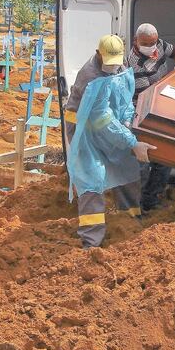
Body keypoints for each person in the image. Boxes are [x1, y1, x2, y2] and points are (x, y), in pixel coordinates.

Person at [65, 34, 155, 248]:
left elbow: (125, 100)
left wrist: (126, 120)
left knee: (126, 166)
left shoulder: (120, 66)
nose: (113, 67)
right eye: (109, 63)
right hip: (85, 130)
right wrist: (131, 142)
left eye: (116, 62)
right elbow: (101, 119)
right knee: (92, 177)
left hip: (113, 126)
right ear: (98, 54)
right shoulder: (90, 77)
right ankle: (91, 240)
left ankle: (130, 221)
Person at [127, 22, 175, 212]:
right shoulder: (134, 63)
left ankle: (152, 200)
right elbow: (149, 96)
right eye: (147, 43)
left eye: (154, 42)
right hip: (144, 117)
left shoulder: (159, 44)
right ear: (137, 41)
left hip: (162, 108)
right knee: (143, 164)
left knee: (164, 159)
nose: (153, 47)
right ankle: (139, 206)